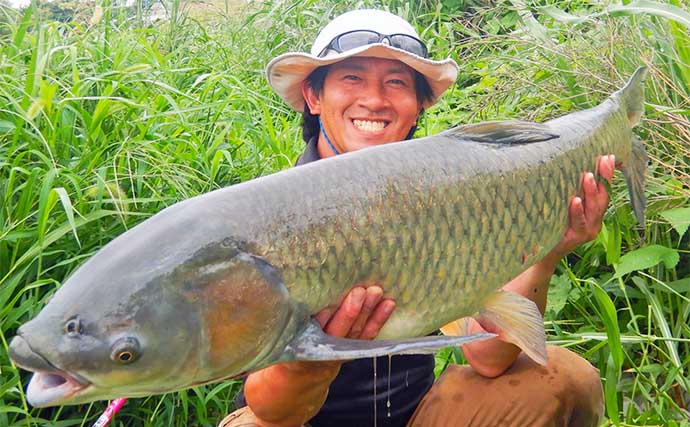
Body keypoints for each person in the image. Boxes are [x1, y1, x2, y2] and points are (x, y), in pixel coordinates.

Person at [220, 9, 610, 427]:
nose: (374, 99)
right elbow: (273, 409)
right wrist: (317, 353)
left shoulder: (445, 198)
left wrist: (547, 251)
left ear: (418, 106)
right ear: (314, 98)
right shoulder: (270, 219)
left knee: (567, 379)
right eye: (351, 78)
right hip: (287, 419)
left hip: (414, 414)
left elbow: (490, 357)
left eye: (396, 83)